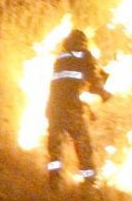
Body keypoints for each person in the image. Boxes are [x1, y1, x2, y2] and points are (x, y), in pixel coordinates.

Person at [46, 29, 109, 187]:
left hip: (53, 108)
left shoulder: (61, 58)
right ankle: (89, 183)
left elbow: (68, 82)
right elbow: (93, 82)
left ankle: (54, 182)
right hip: (70, 109)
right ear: (83, 43)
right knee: (83, 146)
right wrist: (104, 92)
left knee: (55, 149)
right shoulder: (84, 55)